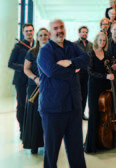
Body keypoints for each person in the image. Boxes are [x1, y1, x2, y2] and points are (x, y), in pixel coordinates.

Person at [37, 20, 88, 168]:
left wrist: (70, 62)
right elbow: (52, 71)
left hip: (73, 106)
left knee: (76, 149)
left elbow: (86, 59)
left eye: (61, 27)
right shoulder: (45, 51)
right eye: (55, 28)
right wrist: (74, 69)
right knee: (52, 151)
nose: (59, 31)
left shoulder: (72, 46)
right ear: (50, 32)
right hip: (53, 108)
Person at [84, 32, 113, 153]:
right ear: (96, 40)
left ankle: (102, 140)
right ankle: (91, 144)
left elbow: (109, 68)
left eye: (104, 41)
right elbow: (90, 71)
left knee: (103, 114)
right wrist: (105, 76)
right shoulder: (90, 53)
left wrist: (111, 76)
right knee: (94, 113)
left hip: (104, 86)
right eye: (100, 40)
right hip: (94, 86)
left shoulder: (107, 54)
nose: (102, 42)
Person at [22, 28, 49, 154]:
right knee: (35, 116)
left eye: (45, 35)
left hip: (50, 88)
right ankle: (34, 144)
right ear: (37, 37)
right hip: (35, 87)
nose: (43, 37)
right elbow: (26, 69)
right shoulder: (32, 52)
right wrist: (35, 78)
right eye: (41, 35)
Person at [8, 23, 35, 139]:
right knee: (21, 105)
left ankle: (31, 129)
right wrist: (25, 67)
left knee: (32, 105)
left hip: (33, 80)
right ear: (23, 33)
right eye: (27, 31)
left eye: (31, 31)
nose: (29, 33)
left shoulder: (37, 46)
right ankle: (22, 129)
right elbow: (10, 63)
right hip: (20, 80)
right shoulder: (18, 46)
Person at [74, 26, 93, 120]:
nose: (84, 34)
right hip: (78, 72)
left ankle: (82, 114)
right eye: (82, 32)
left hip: (88, 72)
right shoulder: (74, 44)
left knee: (85, 93)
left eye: (86, 32)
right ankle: (76, 114)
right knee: (77, 94)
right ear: (79, 33)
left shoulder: (91, 45)